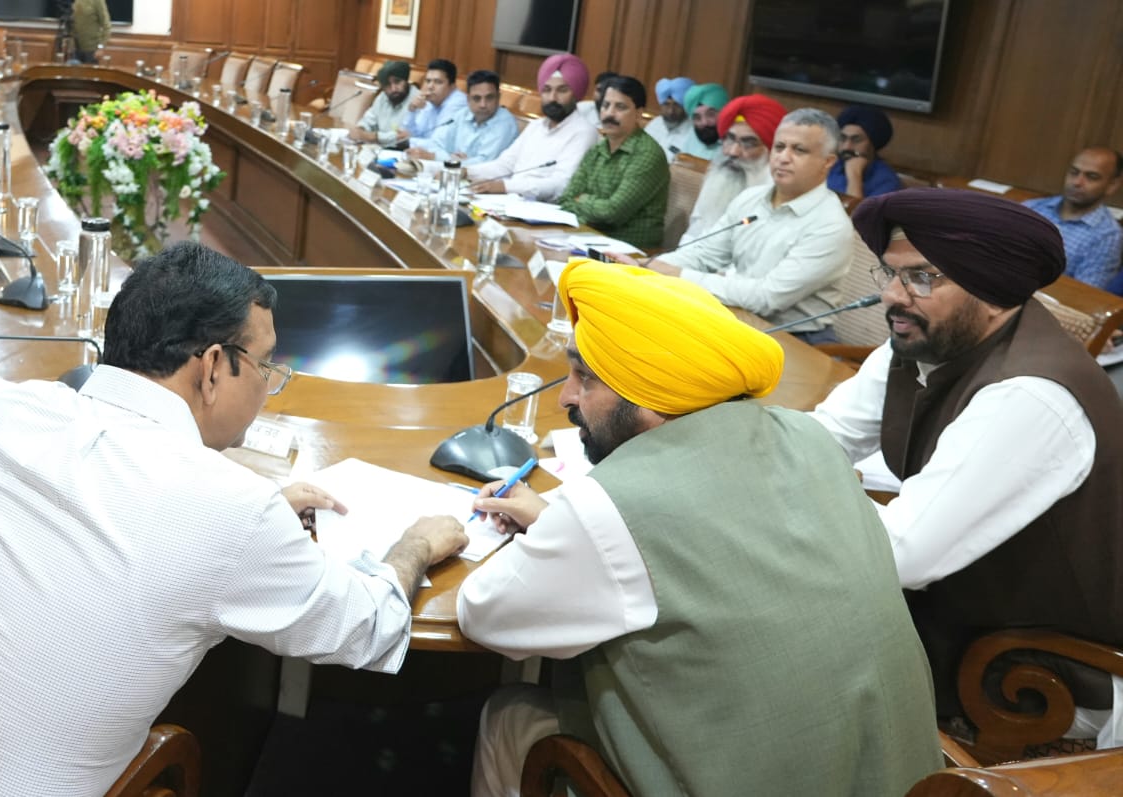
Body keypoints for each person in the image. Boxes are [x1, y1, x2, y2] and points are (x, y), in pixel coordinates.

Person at [0, 242, 469, 797]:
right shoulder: (232, 510)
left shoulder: (16, 411)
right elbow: (366, 628)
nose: (268, 386)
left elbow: (114, 506)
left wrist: (253, 526)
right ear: (212, 367)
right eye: (266, 367)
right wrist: (414, 545)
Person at [460, 259, 942, 797]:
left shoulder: (611, 503)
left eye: (586, 378)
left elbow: (485, 615)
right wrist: (560, 525)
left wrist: (566, 530)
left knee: (510, 713)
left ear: (649, 393)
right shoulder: (808, 436)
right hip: (903, 777)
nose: (565, 398)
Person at [809, 188, 1123, 745]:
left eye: (921, 277)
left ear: (993, 292)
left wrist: (791, 493)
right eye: (891, 273)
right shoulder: (923, 341)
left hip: (1038, 668)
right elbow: (818, 439)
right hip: (956, 611)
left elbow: (899, 555)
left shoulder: (1028, 395)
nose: (892, 295)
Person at [642, 107, 853, 344]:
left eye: (799, 150)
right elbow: (705, 254)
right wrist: (645, 268)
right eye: (779, 147)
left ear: (827, 162)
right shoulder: (751, 198)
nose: (783, 157)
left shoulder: (830, 225)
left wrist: (679, 275)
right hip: (734, 317)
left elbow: (767, 298)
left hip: (793, 338)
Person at [466, 53, 599, 201]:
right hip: (510, 201)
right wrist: (465, 172)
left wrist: (505, 187)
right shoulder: (536, 126)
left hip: (544, 208)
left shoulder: (584, 132)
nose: (552, 98)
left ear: (576, 94)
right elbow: (505, 165)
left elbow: (561, 185)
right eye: (547, 90)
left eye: (562, 90)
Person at [558, 75, 669, 250]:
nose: (610, 113)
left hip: (630, 251)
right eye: (606, 105)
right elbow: (566, 199)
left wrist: (582, 199)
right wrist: (587, 206)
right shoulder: (598, 149)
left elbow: (612, 213)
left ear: (639, 113)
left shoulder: (647, 154)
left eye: (620, 107)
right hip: (587, 237)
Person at [677, 93, 782, 242]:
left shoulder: (777, 196)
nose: (733, 152)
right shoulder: (720, 177)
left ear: (771, 151)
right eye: (730, 139)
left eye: (748, 143)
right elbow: (694, 232)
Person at [1023, 147, 1123, 290]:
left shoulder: (1108, 235)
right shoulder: (1032, 207)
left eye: (1091, 177)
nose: (1077, 182)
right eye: (1074, 172)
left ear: (1112, 185)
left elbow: (1083, 293)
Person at [406, 69, 518, 166]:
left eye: (489, 98)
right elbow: (435, 143)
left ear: (498, 97)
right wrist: (451, 158)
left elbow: (484, 164)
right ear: (468, 99)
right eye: (476, 98)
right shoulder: (462, 114)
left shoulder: (505, 123)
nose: (483, 104)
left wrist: (440, 158)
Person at [827, 104, 902, 200]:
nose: (847, 147)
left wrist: (854, 176)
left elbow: (856, 210)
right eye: (843, 138)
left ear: (873, 144)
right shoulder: (832, 165)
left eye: (856, 140)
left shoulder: (887, 182)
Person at [398, 57, 467, 150]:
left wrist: (410, 141)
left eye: (438, 82)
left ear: (452, 86)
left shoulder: (458, 104)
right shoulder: (431, 101)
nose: (430, 86)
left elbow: (439, 143)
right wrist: (412, 110)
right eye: (428, 81)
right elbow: (410, 133)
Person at [349, 60, 419, 147]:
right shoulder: (383, 97)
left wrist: (374, 137)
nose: (393, 88)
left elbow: (404, 136)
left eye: (397, 82)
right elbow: (368, 120)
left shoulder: (418, 101)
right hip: (379, 150)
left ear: (406, 80)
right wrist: (360, 129)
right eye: (387, 84)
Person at [642, 75, 694, 162]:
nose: (671, 111)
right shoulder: (655, 124)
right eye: (666, 104)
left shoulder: (693, 133)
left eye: (676, 105)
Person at [680, 81, 728, 160]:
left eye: (711, 114)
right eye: (697, 118)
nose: (704, 122)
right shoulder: (691, 136)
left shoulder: (735, 145)